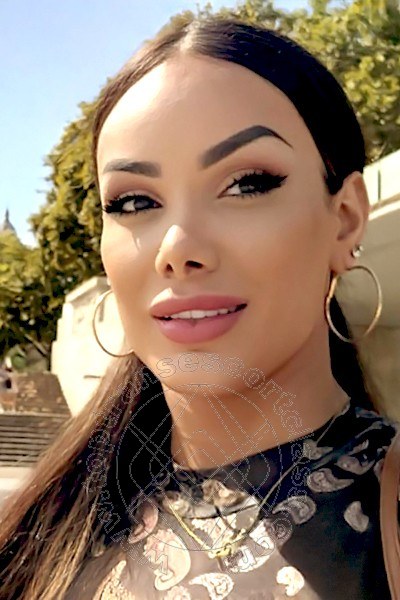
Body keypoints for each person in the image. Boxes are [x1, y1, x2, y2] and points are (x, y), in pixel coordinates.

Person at [0, 16, 398, 600]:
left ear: (344, 220)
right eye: (134, 201)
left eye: (247, 184)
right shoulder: (37, 535)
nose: (177, 248)